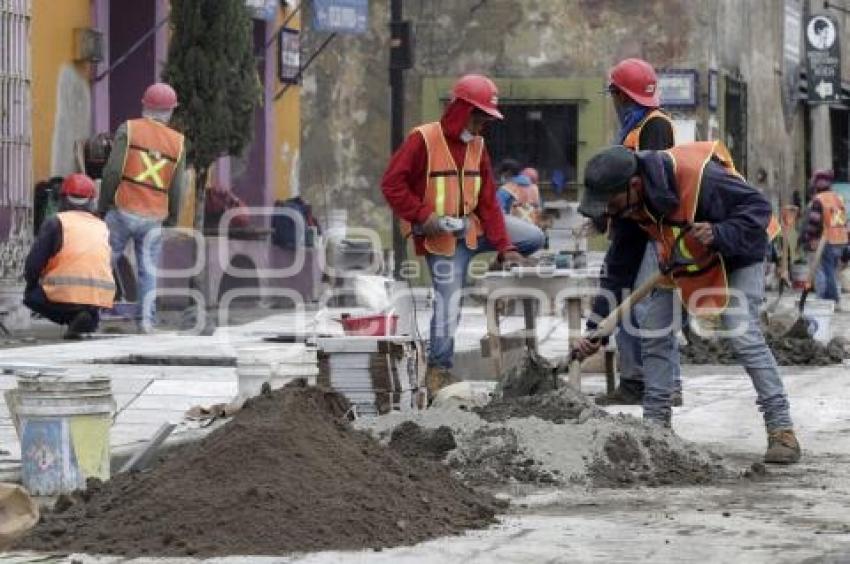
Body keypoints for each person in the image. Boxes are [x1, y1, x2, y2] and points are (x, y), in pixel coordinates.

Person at [576, 142, 800, 463]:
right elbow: (618, 271)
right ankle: (656, 429)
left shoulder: (701, 178)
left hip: (740, 250)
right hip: (683, 256)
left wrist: (721, 232)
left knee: (741, 334)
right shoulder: (628, 206)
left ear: (634, 185)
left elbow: (759, 212)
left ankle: (782, 431)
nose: (609, 211)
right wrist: (596, 330)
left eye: (610, 203)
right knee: (653, 330)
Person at [381, 74, 545, 400]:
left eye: (485, 119)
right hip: (441, 240)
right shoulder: (423, 140)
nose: (481, 125)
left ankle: (501, 253)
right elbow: (392, 185)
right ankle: (438, 371)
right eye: (478, 117)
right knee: (449, 303)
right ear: (460, 110)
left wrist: (505, 246)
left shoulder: (477, 146)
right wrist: (423, 216)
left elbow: (487, 203)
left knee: (534, 237)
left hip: (471, 229)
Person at [595, 57, 682, 407]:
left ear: (621, 95)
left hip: (650, 229)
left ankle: (668, 383)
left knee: (649, 310)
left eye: (615, 94)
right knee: (626, 305)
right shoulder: (633, 126)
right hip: (630, 228)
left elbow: (655, 184)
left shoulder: (654, 126)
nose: (614, 101)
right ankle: (633, 381)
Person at [98, 82, 186, 331]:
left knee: (105, 262)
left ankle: (90, 313)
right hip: (154, 215)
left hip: (124, 208)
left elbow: (113, 170)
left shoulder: (129, 129)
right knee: (148, 270)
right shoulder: (177, 143)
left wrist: (104, 205)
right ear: (170, 111)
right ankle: (146, 321)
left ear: (145, 106)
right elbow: (178, 186)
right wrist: (172, 218)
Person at [24, 174, 115, 339]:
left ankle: (74, 316)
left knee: (31, 297)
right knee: (86, 310)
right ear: (92, 201)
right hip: (101, 296)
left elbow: (33, 264)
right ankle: (87, 318)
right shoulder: (102, 226)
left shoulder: (56, 222)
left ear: (62, 198)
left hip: (65, 293)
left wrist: (31, 282)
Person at [803, 169, 848, 303]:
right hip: (839, 239)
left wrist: (810, 238)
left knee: (823, 271)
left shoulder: (819, 200)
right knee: (832, 271)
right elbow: (840, 221)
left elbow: (814, 222)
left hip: (825, 240)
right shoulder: (837, 198)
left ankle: (827, 300)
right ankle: (833, 299)